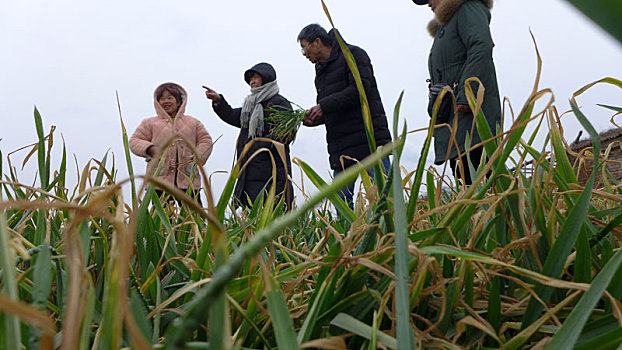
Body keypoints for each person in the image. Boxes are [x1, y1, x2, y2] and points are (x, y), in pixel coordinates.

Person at [297, 24, 392, 208]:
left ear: (317, 42)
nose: (304, 53)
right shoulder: (320, 72)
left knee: (383, 199)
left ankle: (389, 236)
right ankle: (348, 237)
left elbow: (360, 90)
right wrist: (315, 119)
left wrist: (323, 107)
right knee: (341, 202)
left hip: (369, 140)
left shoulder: (354, 55)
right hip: (341, 148)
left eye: (304, 47)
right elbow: (332, 108)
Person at [413, 0, 502, 185]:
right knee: (466, 178)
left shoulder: (468, 8)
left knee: (481, 178)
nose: (428, 3)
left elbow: (481, 45)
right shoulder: (449, 23)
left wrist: (467, 94)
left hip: (469, 112)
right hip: (456, 114)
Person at [204, 62, 295, 210]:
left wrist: (262, 145)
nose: (252, 81)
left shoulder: (279, 102)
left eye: (256, 77)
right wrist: (218, 101)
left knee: (274, 207)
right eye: (250, 78)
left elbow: (287, 132)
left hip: (272, 167)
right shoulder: (250, 104)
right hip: (249, 166)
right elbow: (233, 116)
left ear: (267, 78)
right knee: (252, 208)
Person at [130, 82, 213, 205]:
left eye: (170, 98)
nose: (166, 101)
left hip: (188, 179)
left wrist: (198, 157)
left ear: (179, 101)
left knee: (194, 219)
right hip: (159, 180)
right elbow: (134, 141)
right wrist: (151, 149)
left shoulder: (193, 122)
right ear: (157, 103)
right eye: (162, 99)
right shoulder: (150, 123)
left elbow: (205, 140)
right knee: (161, 221)